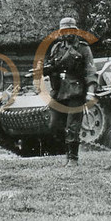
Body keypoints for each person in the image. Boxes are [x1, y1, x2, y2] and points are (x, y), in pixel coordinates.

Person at [41, 16, 97, 166]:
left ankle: (73, 158)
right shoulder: (56, 48)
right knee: (54, 124)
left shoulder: (83, 48)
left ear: (75, 31)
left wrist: (91, 91)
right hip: (59, 91)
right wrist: (46, 69)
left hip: (76, 91)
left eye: (70, 30)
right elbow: (51, 65)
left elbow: (90, 70)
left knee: (73, 125)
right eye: (64, 31)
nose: (68, 33)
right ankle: (63, 152)